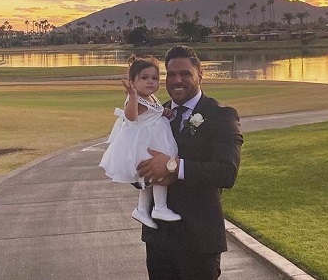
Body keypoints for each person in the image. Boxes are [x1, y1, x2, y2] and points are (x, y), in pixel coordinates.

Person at [136, 45, 243, 280]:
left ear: (200, 74)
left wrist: (174, 166)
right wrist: (140, 174)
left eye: (185, 73)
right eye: (171, 74)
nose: (177, 80)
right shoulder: (155, 113)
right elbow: (138, 160)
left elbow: (227, 172)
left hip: (200, 241)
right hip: (158, 241)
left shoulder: (221, 115)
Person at [99, 55, 182, 230]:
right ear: (133, 82)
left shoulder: (152, 97)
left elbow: (155, 112)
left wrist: (165, 112)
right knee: (157, 174)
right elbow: (131, 117)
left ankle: (142, 209)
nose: (150, 82)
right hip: (146, 143)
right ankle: (160, 207)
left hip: (156, 138)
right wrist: (132, 96)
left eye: (154, 78)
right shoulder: (134, 98)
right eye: (144, 78)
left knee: (148, 180)